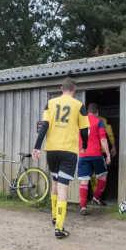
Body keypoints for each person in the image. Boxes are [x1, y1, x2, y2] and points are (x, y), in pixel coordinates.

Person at [33, 76, 89, 239]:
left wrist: (37, 147)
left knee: (55, 183)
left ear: (61, 88)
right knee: (63, 187)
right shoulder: (79, 105)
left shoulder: (50, 103)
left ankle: (54, 216)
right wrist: (84, 145)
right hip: (68, 151)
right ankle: (59, 228)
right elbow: (84, 130)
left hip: (52, 150)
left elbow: (44, 126)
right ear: (74, 90)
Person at [77, 103, 111, 215]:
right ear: (97, 112)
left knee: (84, 181)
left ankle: (83, 207)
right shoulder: (99, 121)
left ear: (88, 112)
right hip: (96, 154)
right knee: (103, 175)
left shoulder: (80, 122)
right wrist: (108, 154)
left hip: (83, 154)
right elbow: (103, 139)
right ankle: (96, 197)